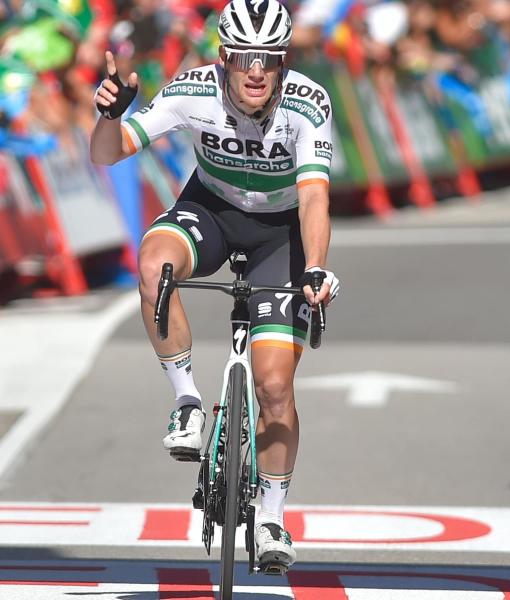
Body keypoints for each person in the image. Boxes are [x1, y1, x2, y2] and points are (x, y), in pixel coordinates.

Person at [89, 0, 340, 572]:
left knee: (274, 386)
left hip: (282, 232)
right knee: (155, 265)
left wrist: (316, 267)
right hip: (214, 210)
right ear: (224, 58)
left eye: (270, 59)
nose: (257, 70)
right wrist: (107, 117)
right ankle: (186, 401)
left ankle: (272, 512)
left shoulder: (308, 103)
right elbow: (108, 155)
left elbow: (315, 196)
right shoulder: (192, 90)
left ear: (284, 61)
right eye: (245, 58)